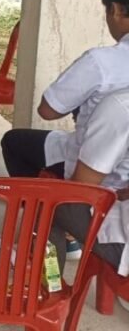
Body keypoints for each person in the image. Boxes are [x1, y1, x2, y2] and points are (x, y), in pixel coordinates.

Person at [1, 0, 129, 258]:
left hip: (98, 179)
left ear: (117, 10)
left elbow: (47, 110)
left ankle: (54, 229)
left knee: (14, 143)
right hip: (123, 184)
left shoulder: (101, 63)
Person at [47, 89, 128, 283]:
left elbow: (81, 188)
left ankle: (46, 291)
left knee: (47, 203)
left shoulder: (121, 106)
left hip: (123, 243)